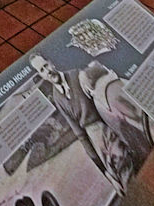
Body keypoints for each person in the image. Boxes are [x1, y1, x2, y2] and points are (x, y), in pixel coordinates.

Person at [30, 53, 125, 194]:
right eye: (42, 70)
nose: (47, 71)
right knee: (118, 181)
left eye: (46, 66)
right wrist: (104, 171)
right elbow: (80, 134)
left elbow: (104, 74)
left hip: (108, 127)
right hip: (94, 140)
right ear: (41, 75)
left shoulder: (77, 75)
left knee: (124, 166)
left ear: (51, 63)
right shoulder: (57, 98)